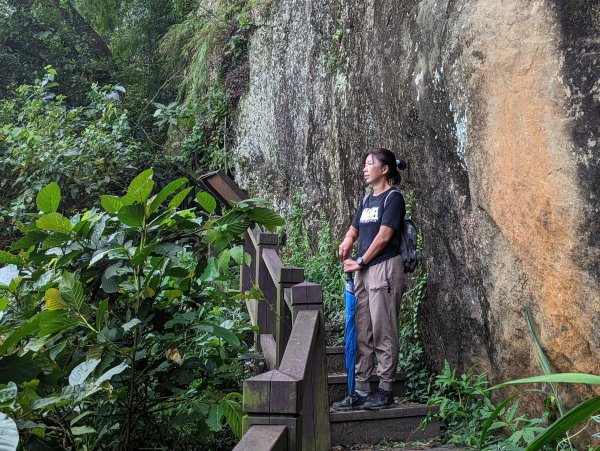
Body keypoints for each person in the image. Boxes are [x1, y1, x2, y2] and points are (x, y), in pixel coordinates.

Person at [332, 147, 406, 411]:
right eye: (364, 164)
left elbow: (385, 236)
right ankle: (362, 390)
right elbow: (355, 228)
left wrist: (362, 260)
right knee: (363, 329)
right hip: (362, 272)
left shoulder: (393, 198)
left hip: (383, 268)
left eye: (370, 164)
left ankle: (385, 389)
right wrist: (347, 240)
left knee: (383, 328)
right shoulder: (366, 200)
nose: (365, 169)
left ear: (384, 169)